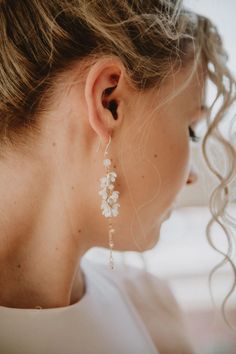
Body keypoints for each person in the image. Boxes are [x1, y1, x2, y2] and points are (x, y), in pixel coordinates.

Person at [0, 0, 235, 353]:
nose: (192, 177)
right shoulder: (149, 313)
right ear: (108, 101)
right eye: (189, 128)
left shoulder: (152, 311)